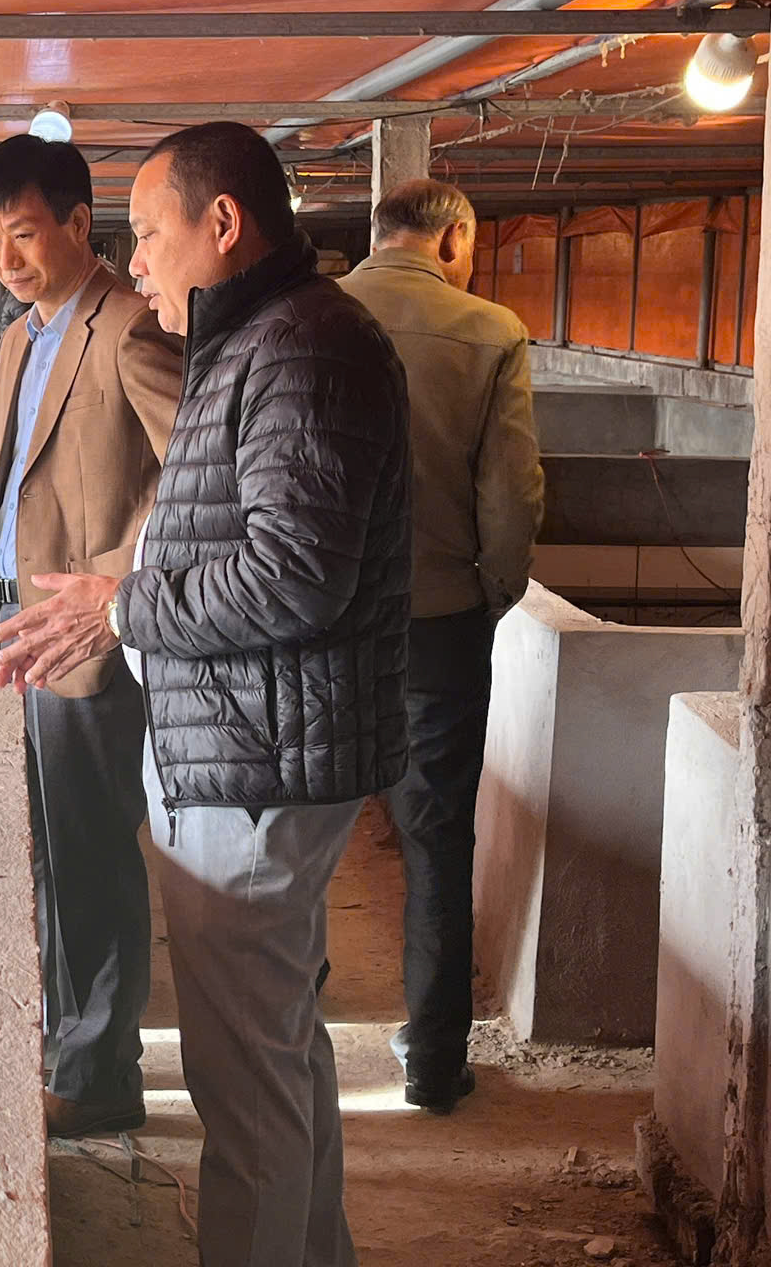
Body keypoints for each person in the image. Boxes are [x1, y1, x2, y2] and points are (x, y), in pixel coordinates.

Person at [0, 121, 410, 1267]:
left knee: (245, 1086)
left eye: (147, 233)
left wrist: (120, 610)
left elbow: (292, 574)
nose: (139, 260)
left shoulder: (301, 350)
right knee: (277, 1051)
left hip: (254, 755)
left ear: (222, 223)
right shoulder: (262, 339)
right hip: (249, 737)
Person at [0, 133, 183, 1139]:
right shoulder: (22, 337)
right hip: (19, 621)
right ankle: (66, 1045)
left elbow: (194, 472)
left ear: (76, 223)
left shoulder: (129, 326)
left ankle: (100, 1077)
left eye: (22, 234)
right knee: (43, 849)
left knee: (90, 851)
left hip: (85, 634)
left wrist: (117, 583)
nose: (5, 258)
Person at [338, 179, 543, 1114]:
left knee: (305, 833)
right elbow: (512, 491)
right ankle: (431, 1060)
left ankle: (289, 1047)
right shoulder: (491, 331)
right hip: (438, 624)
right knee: (437, 838)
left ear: (378, 234)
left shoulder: (312, 315)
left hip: (322, 626)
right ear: (455, 239)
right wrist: (490, 592)